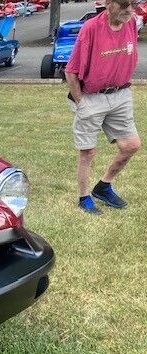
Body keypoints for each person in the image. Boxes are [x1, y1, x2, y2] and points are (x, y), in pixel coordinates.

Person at [65, 0, 141, 215]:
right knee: (88, 151)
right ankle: (84, 197)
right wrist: (81, 102)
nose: (129, 10)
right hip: (91, 97)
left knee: (131, 146)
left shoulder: (131, 22)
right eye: (124, 4)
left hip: (121, 94)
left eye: (133, 5)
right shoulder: (90, 28)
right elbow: (71, 71)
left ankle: (103, 187)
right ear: (109, 3)